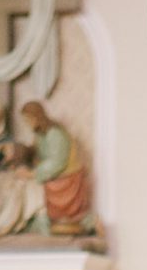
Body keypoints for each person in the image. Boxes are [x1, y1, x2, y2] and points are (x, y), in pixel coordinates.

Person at [20, 99, 95, 238]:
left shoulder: (55, 133)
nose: (28, 123)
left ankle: (42, 222)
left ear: (37, 117)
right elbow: (39, 153)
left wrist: (32, 174)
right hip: (54, 174)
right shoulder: (40, 133)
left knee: (32, 188)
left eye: (28, 119)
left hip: (67, 178)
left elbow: (57, 162)